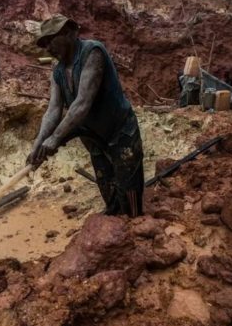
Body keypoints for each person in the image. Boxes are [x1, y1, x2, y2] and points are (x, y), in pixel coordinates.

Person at [27, 15, 144, 217]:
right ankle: (114, 225)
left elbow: (82, 104)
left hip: (120, 131)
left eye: (51, 39)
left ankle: (137, 227)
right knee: (107, 188)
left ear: (70, 33)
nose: (48, 48)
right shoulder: (58, 71)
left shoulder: (92, 52)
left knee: (129, 188)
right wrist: (38, 144)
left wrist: (56, 138)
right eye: (44, 43)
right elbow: (53, 109)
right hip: (94, 139)